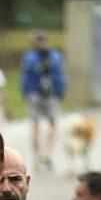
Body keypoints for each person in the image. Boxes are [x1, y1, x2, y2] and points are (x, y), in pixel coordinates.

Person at [19, 32, 66, 171]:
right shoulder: (56, 56)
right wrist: (60, 92)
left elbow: (25, 77)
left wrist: (26, 92)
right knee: (52, 124)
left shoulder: (29, 57)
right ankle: (47, 153)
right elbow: (60, 75)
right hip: (51, 94)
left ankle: (37, 157)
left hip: (34, 94)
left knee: (35, 126)